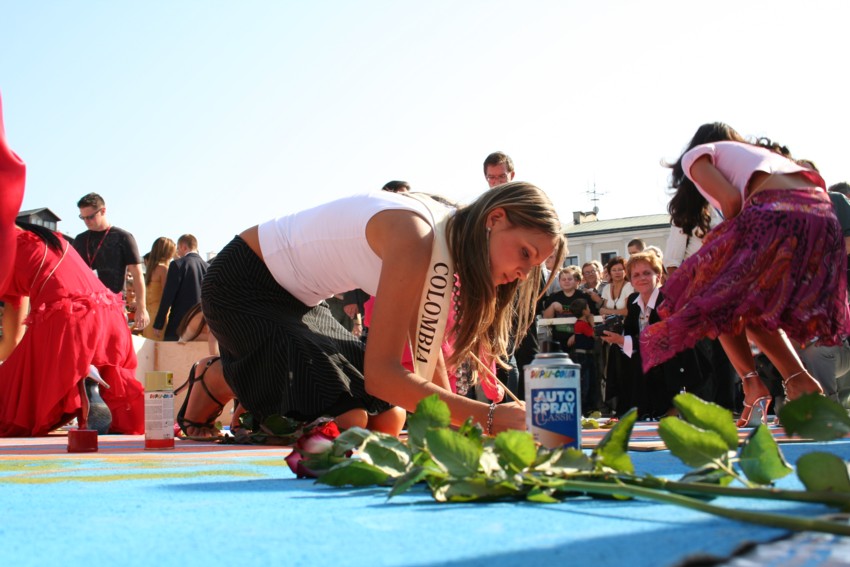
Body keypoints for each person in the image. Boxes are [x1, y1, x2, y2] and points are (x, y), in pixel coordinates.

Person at [177, 182, 565, 439]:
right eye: (525, 253)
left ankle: (258, 376)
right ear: (494, 219)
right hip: (243, 284)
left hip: (304, 305)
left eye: (533, 266)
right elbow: (383, 376)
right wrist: (489, 418)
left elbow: (425, 350)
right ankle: (220, 377)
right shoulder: (419, 237)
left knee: (388, 419)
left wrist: (460, 427)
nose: (522, 271)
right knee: (345, 424)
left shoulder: (446, 240)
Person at [641, 123, 849, 426]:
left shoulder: (697, 155)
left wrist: (718, 253)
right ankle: (796, 382)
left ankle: (756, 386)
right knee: (743, 306)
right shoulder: (755, 155)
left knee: (715, 297)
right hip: (820, 217)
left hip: (776, 211)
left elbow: (731, 203)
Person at [0, 104, 144, 435]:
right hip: (110, 318)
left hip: (68, 322)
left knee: (12, 399)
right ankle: (89, 384)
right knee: (115, 402)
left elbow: (13, 329)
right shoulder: (51, 238)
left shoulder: (6, 252)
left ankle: (82, 384)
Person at [601, 252, 709, 419]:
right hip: (649, 352)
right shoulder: (633, 301)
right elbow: (631, 331)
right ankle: (633, 405)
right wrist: (617, 335)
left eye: (647, 273)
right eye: (636, 275)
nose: (641, 278)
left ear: (658, 276)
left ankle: (674, 405)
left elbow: (663, 336)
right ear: (631, 280)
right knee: (619, 351)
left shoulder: (668, 299)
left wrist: (625, 340)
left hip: (678, 352)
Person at [73, 192, 149, 331]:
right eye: (82, 218)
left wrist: (142, 307)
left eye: (90, 217)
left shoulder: (123, 238)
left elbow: (137, 275)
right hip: (85, 308)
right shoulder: (79, 240)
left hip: (113, 306)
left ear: (103, 211)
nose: (86, 221)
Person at [152, 234, 209, 341]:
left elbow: (168, 296)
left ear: (183, 246)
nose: (177, 252)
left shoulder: (177, 265)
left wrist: (158, 323)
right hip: (203, 325)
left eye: (178, 248)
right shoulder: (209, 268)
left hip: (179, 324)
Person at [141, 237, 176, 340]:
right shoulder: (163, 269)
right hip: (160, 316)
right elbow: (167, 295)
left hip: (149, 315)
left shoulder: (151, 269)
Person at [567, 299, 596, 414]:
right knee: (585, 383)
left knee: (587, 381)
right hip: (582, 356)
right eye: (588, 307)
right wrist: (592, 323)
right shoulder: (582, 324)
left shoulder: (580, 324)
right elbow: (594, 334)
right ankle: (584, 409)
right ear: (584, 311)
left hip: (583, 355)